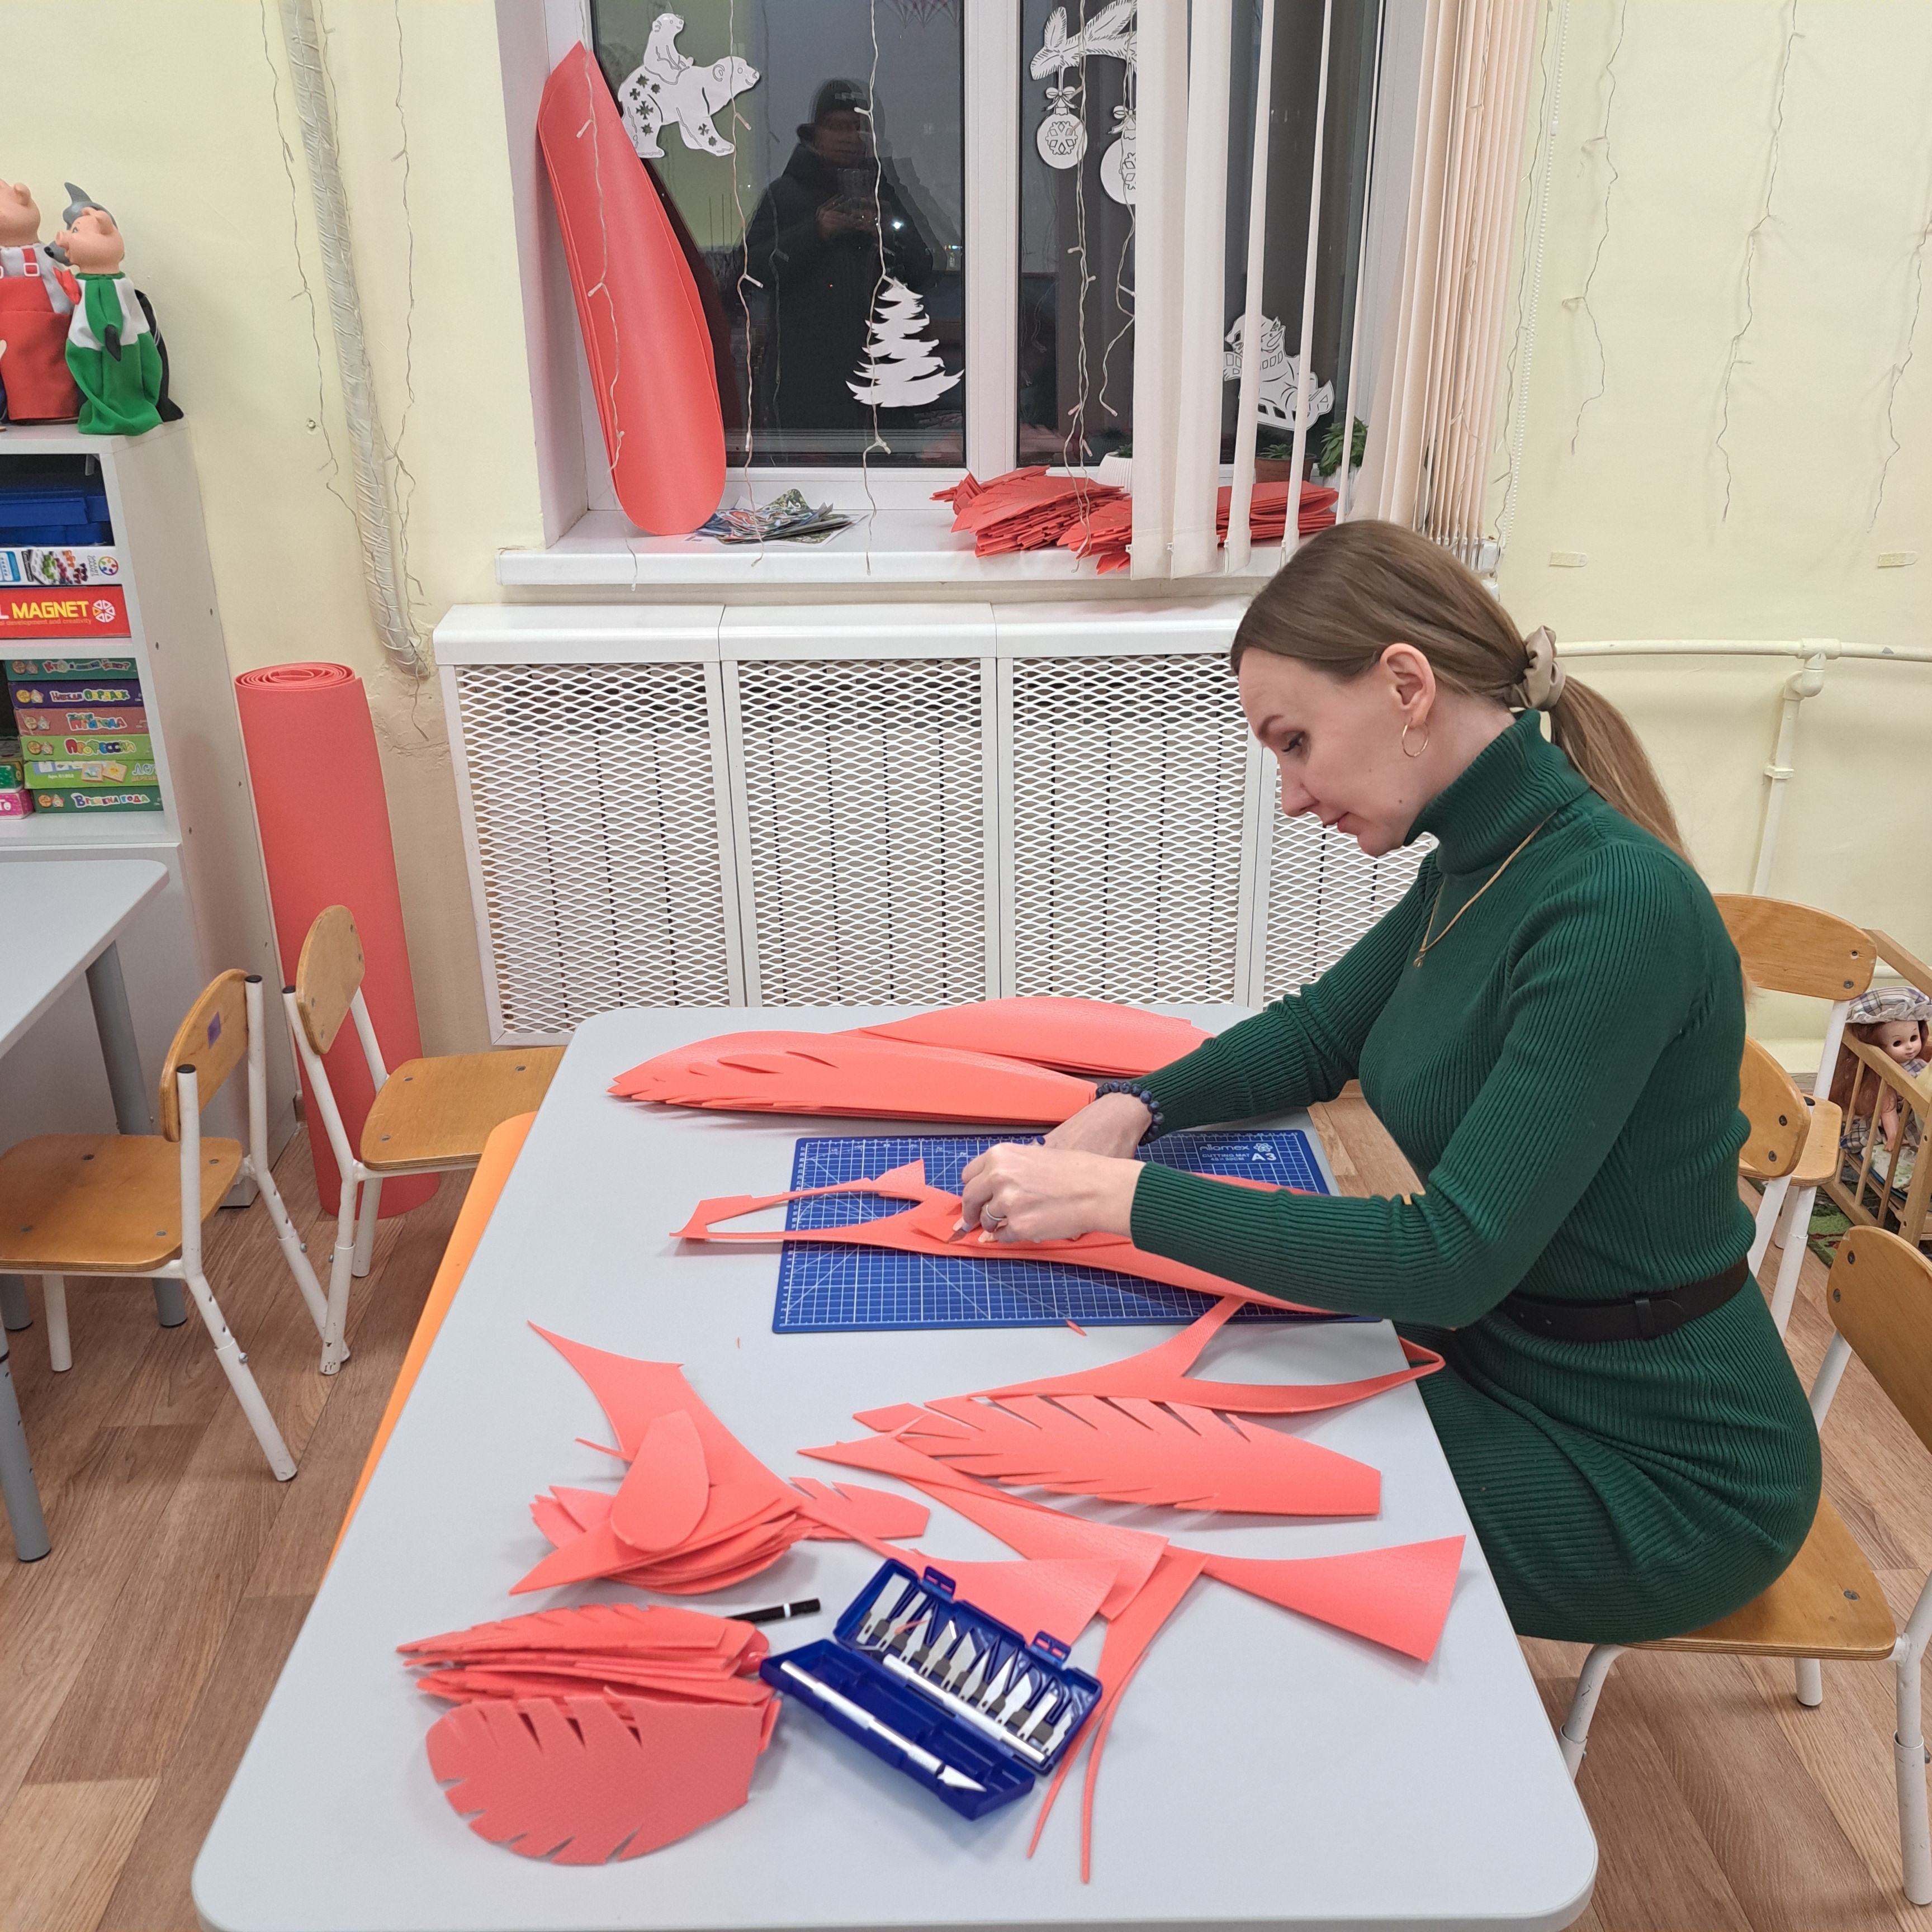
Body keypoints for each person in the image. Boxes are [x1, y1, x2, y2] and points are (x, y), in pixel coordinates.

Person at [959, 518, 1822, 1645]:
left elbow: (1450, 1258)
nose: (1290, 795)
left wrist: (1119, 1199)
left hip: (1660, 1472)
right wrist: (1135, 1108)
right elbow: (1321, 1033)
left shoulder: (1612, 905)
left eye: (1296, 741)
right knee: (1203, 1408)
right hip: (1513, 1357)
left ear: (1407, 685)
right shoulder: (1480, 862)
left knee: (1204, 1490)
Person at [736, 79, 937, 452]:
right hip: (804, 382)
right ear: (815, 134)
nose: (848, 137)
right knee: (811, 477)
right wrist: (816, 232)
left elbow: (923, 267)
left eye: (857, 127)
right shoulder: (785, 195)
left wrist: (886, 229)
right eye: (836, 126)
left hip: (881, 380)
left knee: (890, 477)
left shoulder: (885, 193)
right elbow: (750, 272)